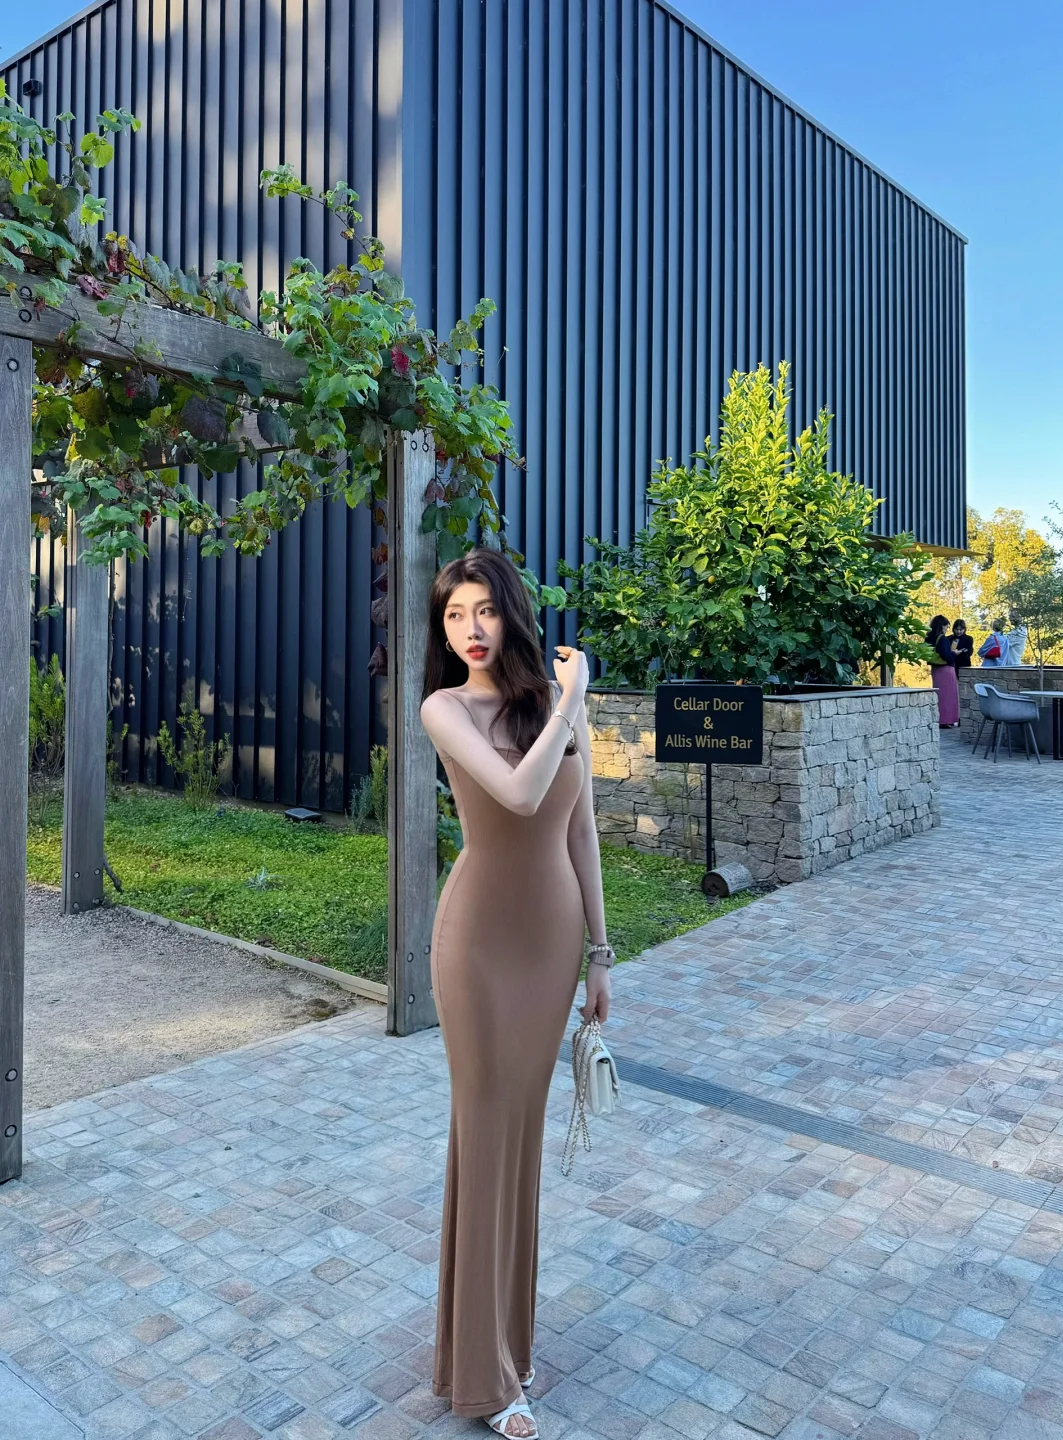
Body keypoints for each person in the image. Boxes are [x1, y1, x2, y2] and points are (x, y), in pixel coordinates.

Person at [419, 547, 612, 1439]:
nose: (471, 630)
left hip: (552, 945)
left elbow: (581, 833)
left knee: (521, 1145)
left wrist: (600, 956)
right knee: (485, 1137)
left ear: (511, 614)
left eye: (485, 610)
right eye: (455, 615)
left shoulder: (553, 704)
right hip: (479, 947)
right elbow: (521, 796)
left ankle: (505, 1346)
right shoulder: (446, 708)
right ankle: (485, 1378)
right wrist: (574, 702)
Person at [926, 614, 960, 726]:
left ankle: (939, 719)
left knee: (939, 696)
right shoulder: (942, 639)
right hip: (945, 670)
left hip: (935, 669)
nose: (946, 629)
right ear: (942, 626)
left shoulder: (929, 638)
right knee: (948, 696)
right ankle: (946, 720)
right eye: (946, 627)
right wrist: (954, 653)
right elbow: (946, 655)